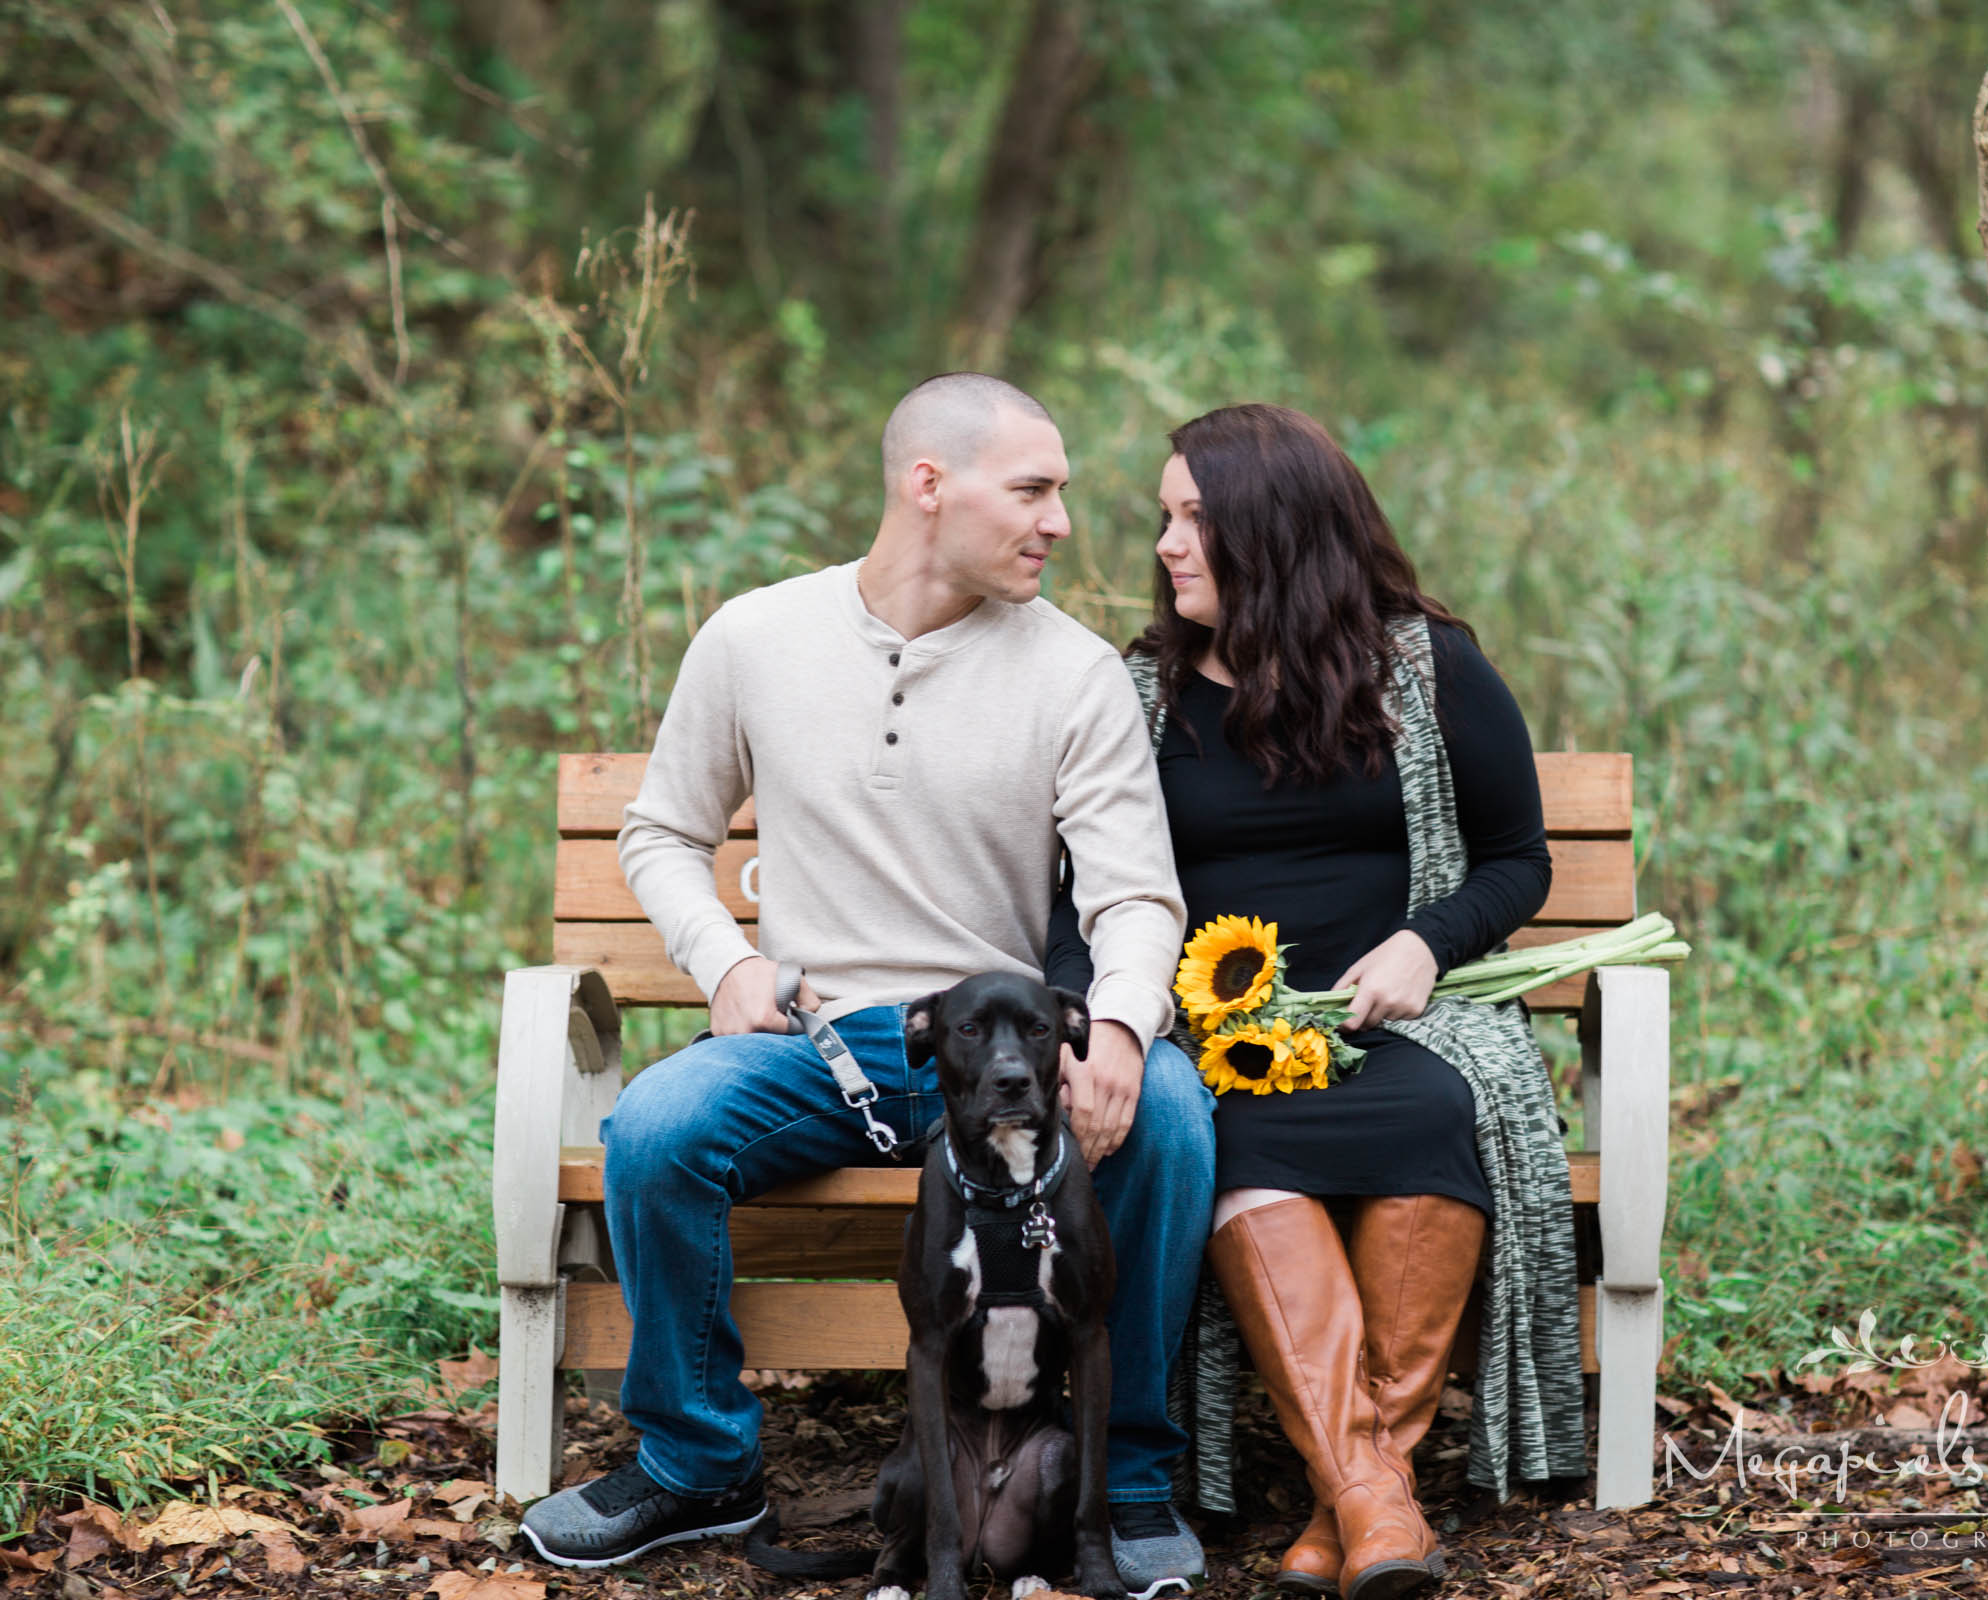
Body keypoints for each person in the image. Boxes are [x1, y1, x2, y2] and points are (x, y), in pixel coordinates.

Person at [519, 374, 1216, 1599]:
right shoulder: (755, 636)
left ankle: (1132, 1481)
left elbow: (1135, 896)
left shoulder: (1075, 672)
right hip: (819, 1050)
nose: (1061, 521)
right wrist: (723, 960)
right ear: (928, 485)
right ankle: (697, 1462)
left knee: (1162, 1104)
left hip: (997, 1048)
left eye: (1063, 494)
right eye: (1035, 490)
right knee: (662, 1125)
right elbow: (660, 832)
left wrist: (1115, 1023)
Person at [1048, 403, 1584, 1600]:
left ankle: (1348, 1504)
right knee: (1234, 1138)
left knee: (1443, 1116)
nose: (1167, 544)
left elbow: (1516, 858)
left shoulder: (1425, 666)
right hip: (1221, 1037)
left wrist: (1424, 945)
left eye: (1195, 518)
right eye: (1166, 518)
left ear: (1272, 531)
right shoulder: (1141, 692)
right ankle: (1374, 1503)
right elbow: (1082, 887)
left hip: (1400, 1022)